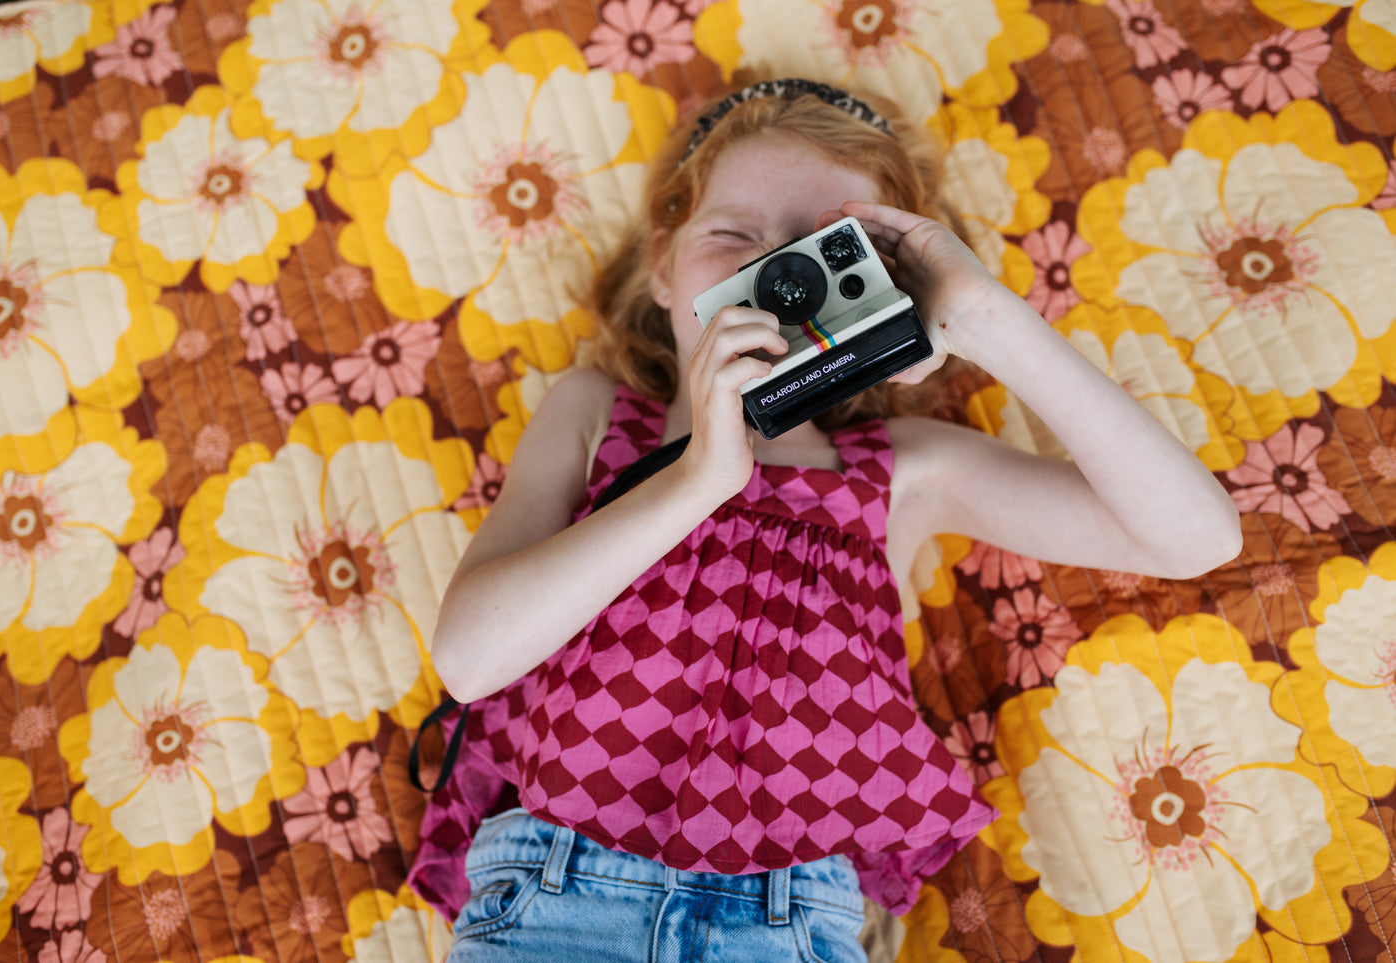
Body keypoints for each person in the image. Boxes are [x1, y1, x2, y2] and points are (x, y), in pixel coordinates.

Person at [416, 77, 1242, 963]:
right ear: (662, 265)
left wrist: (979, 316)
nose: (773, 281)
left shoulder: (903, 468)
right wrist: (700, 476)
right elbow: (471, 658)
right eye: (733, 237)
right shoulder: (595, 416)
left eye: (824, 256)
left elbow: (1195, 536)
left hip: (788, 918)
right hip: (554, 893)